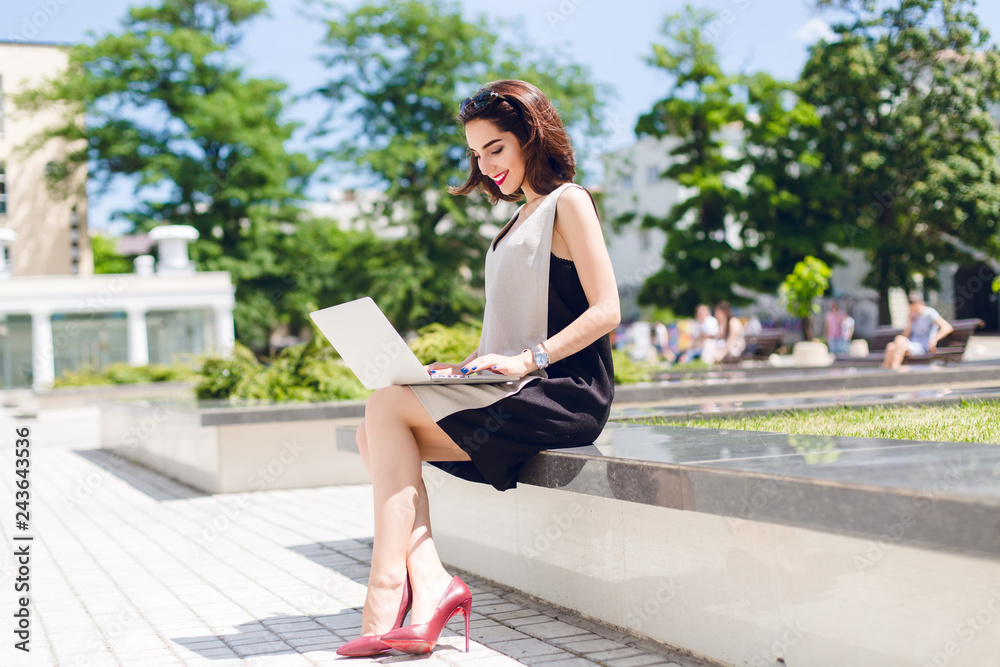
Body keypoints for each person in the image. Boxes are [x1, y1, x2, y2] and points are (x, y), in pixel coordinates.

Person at [337, 80, 619, 657]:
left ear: (530, 137)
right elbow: (513, 330)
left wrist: (526, 359)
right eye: (476, 153)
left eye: (495, 148)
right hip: (512, 386)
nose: (485, 165)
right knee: (376, 430)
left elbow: (607, 310)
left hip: (565, 391)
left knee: (383, 408)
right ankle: (433, 584)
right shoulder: (513, 225)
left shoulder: (569, 201)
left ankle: (387, 594)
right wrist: (464, 369)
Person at [882, 294, 954, 369]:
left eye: (916, 308)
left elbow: (947, 327)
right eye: (912, 309)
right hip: (911, 344)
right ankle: (885, 373)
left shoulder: (930, 313)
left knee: (899, 340)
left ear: (921, 304)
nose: (914, 311)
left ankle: (894, 369)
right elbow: (906, 336)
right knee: (890, 346)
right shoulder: (912, 316)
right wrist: (910, 322)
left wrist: (934, 340)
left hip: (922, 346)